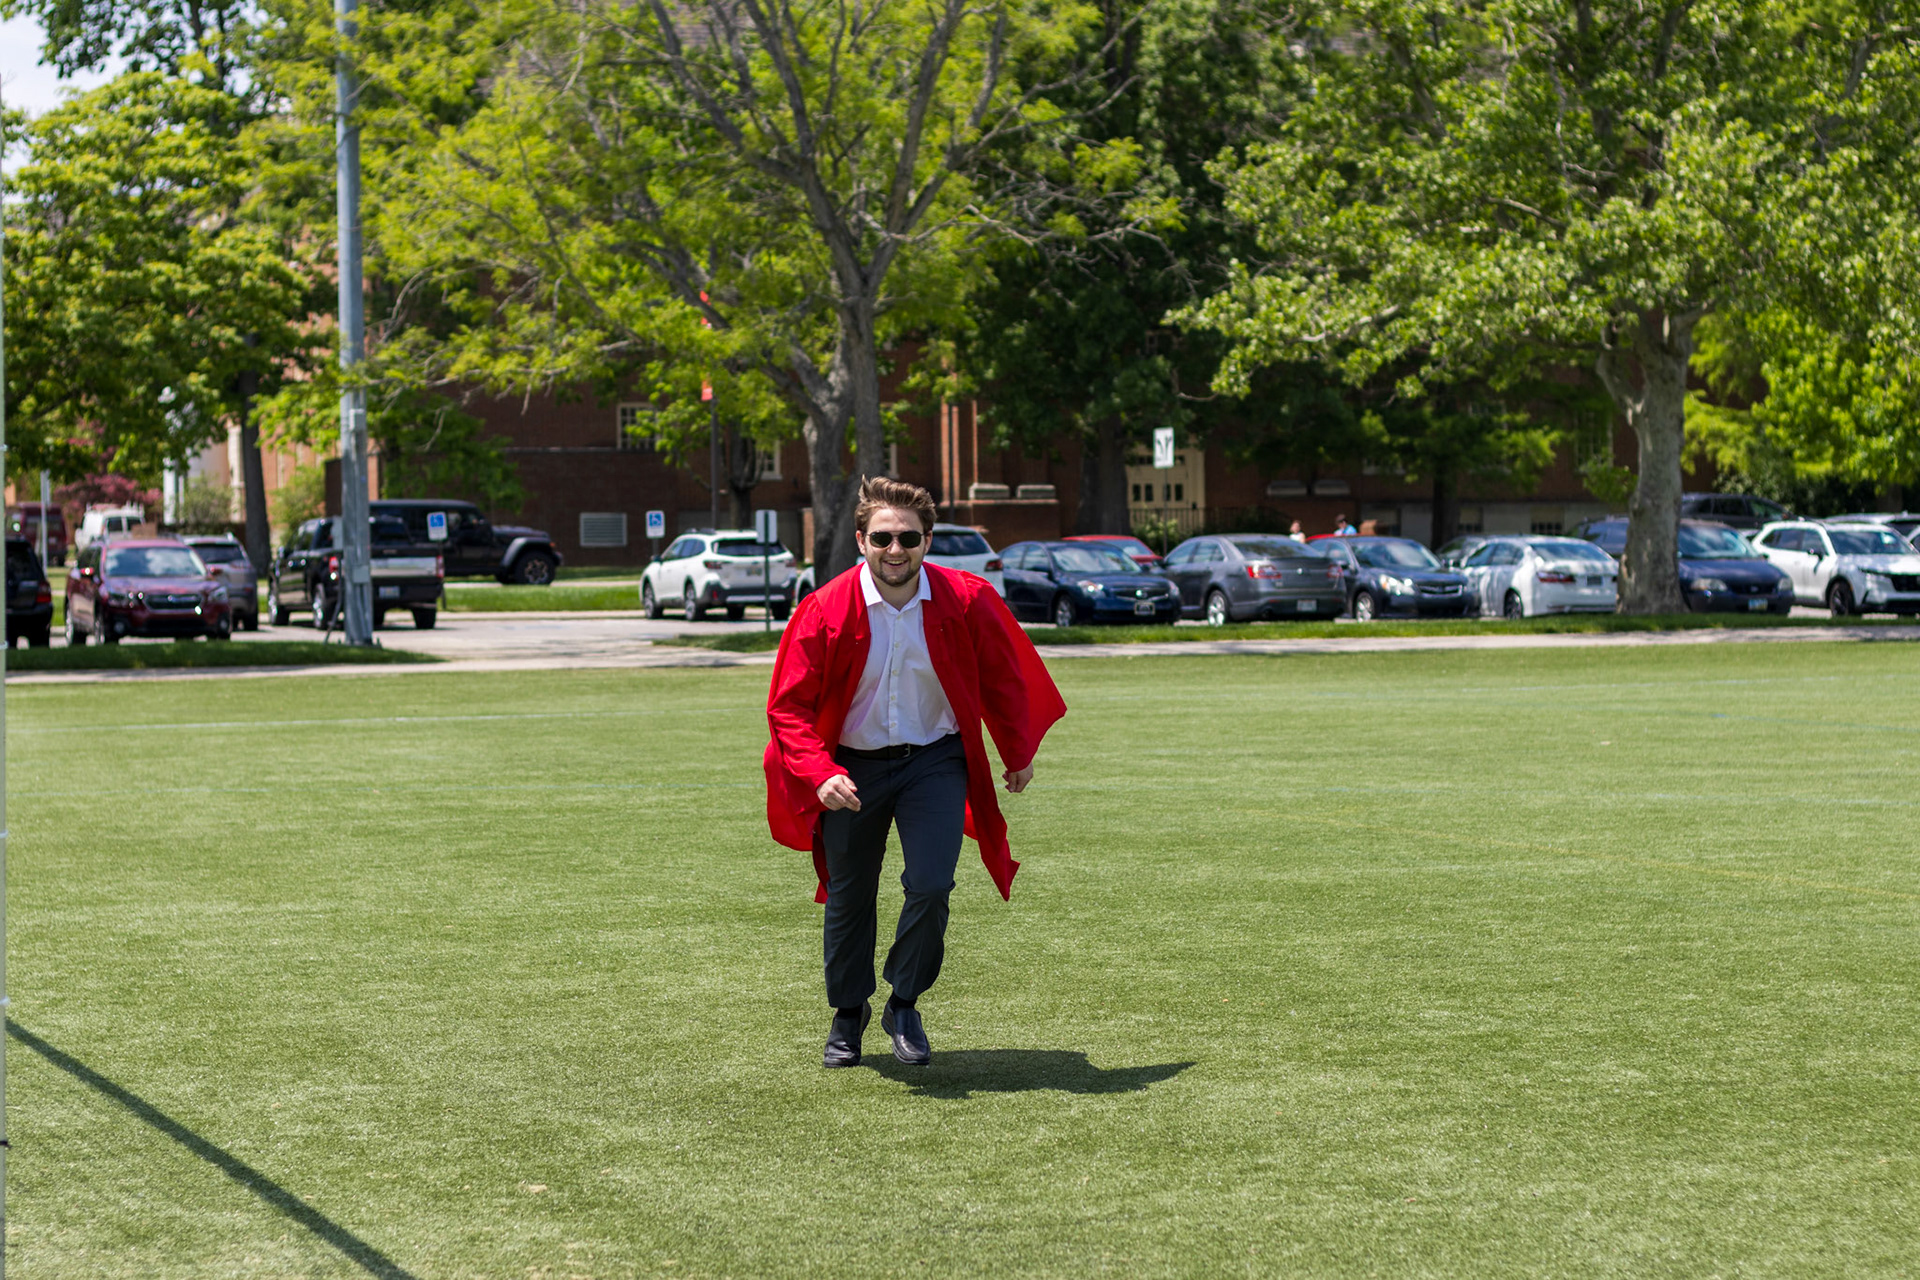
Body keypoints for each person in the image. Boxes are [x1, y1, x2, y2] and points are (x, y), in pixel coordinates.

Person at [764, 477, 1066, 1068]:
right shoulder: (824, 610)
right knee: (850, 894)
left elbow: (1004, 676)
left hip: (934, 760)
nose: (895, 549)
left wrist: (1017, 750)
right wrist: (820, 772)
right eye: (883, 538)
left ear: (928, 540)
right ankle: (847, 1013)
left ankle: (904, 1003)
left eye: (908, 537)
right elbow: (789, 708)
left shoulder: (967, 599)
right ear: (861, 541)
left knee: (930, 884)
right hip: (851, 766)